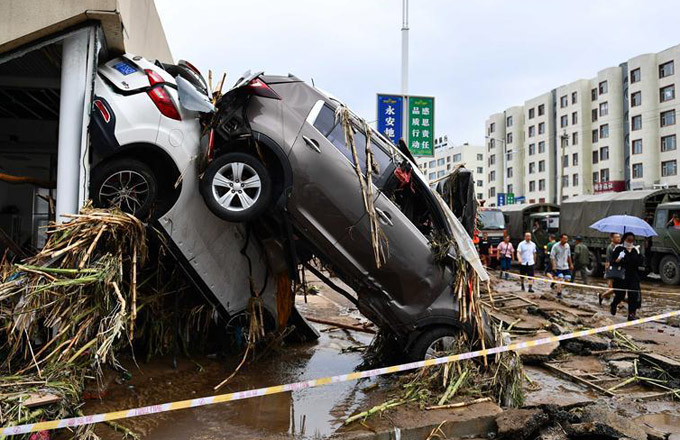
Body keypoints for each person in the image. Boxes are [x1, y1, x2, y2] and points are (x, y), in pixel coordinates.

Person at [609, 232, 643, 321]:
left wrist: (639, 255)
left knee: (633, 295)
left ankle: (631, 314)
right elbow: (613, 262)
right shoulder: (618, 248)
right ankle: (614, 304)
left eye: (632, 240)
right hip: (621, 276)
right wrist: (619, 258)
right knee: (620, 295)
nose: (630, 242)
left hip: (633, 276)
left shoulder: (635, 249)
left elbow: (640, 263)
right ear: (624, 239)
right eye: (628, 240)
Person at [550, 233, 573, 297]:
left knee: (567, 279)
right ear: (560, 239)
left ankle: (554, 282)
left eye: (567, 239)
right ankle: (559, 293)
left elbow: (569, 255)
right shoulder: (555, 246)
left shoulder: (567, 246)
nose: (566, 240)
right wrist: (554, 266)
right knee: (560, 279)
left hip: (565, 266)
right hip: (558, 266)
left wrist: (571, 264)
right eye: (564, 239)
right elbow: (552, 257)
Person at [601, 233, 621, 305]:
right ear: (612, 239)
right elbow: (608, 260)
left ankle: (606, 296)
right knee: (611, 286)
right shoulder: (610, 247)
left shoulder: (620, 247)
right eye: (617, 237)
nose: (618, 238)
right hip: (612, 269)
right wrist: (607, 271)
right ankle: (604, 296)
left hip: (619, 269)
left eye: (619, 237)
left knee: (618, 286)